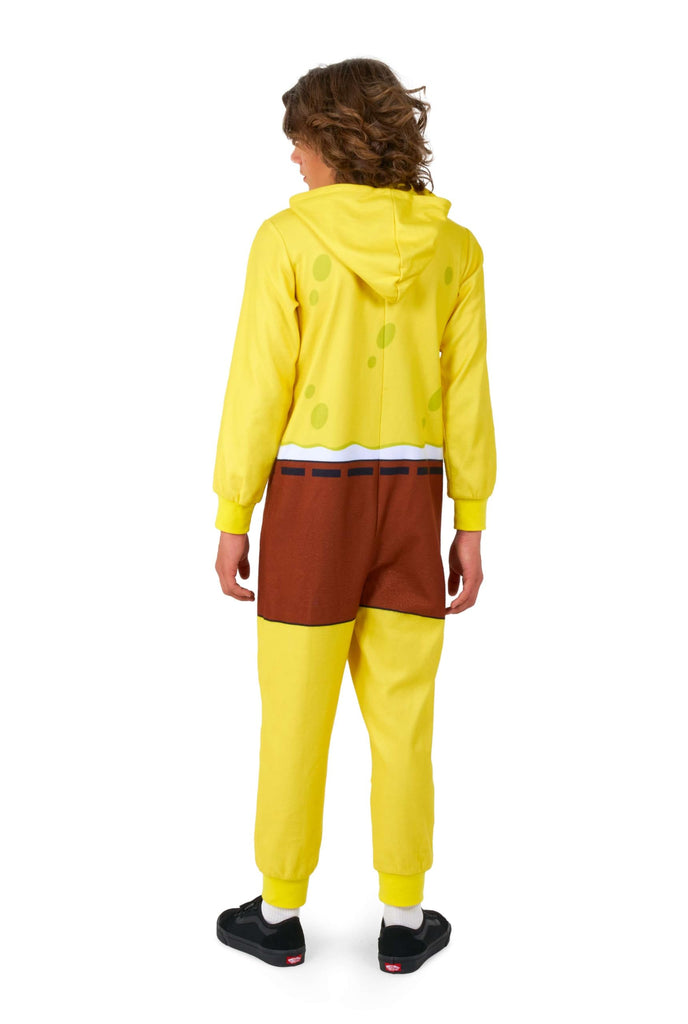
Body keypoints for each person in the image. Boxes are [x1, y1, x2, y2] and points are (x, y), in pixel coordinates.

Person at [212, 57, 497, 973]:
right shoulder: (454, 250)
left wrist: (233, 512)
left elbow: (259, 387)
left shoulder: (285, 241)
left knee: (294, 715)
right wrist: (470, 520)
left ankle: (278, 915)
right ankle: (405, 924)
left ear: (332, 139)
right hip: (412, 502)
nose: (292, 158)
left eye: (299, 139)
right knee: (405, 719)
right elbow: (468, 396)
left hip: (310, 504)